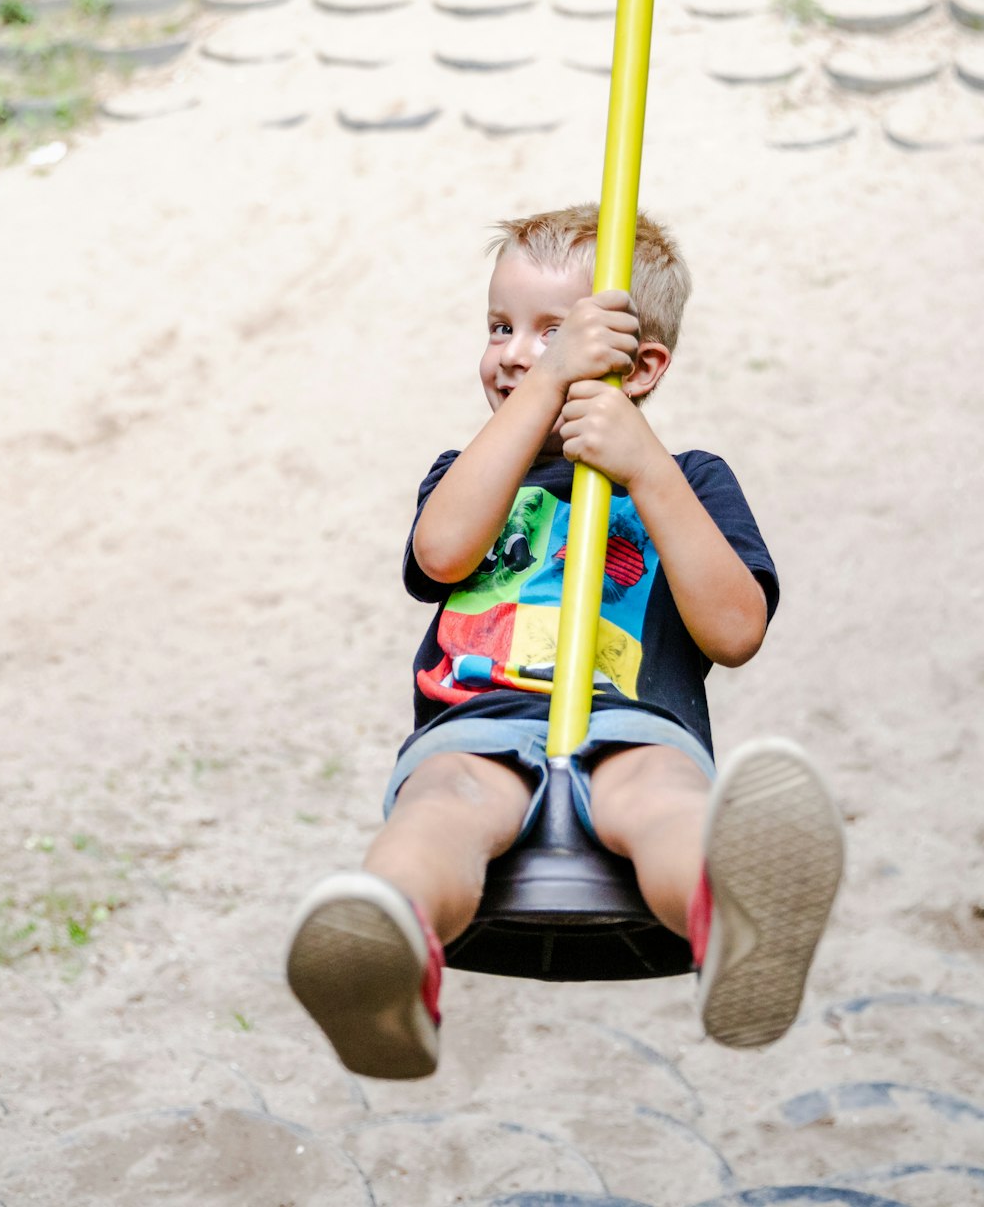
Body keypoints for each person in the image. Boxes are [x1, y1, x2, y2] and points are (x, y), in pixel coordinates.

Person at [285, 204, 845, 1080]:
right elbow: (442, 552)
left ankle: (735, 928)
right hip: (475, 720)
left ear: (643, 364)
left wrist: (646, 468)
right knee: (439, 810)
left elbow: (736, 631)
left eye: (553, 333)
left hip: (633, 725)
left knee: (665, 801)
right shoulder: (470, 472)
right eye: (501, 326)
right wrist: (551, 383)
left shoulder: (689, 480)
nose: (514, 353)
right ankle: (386, 955)